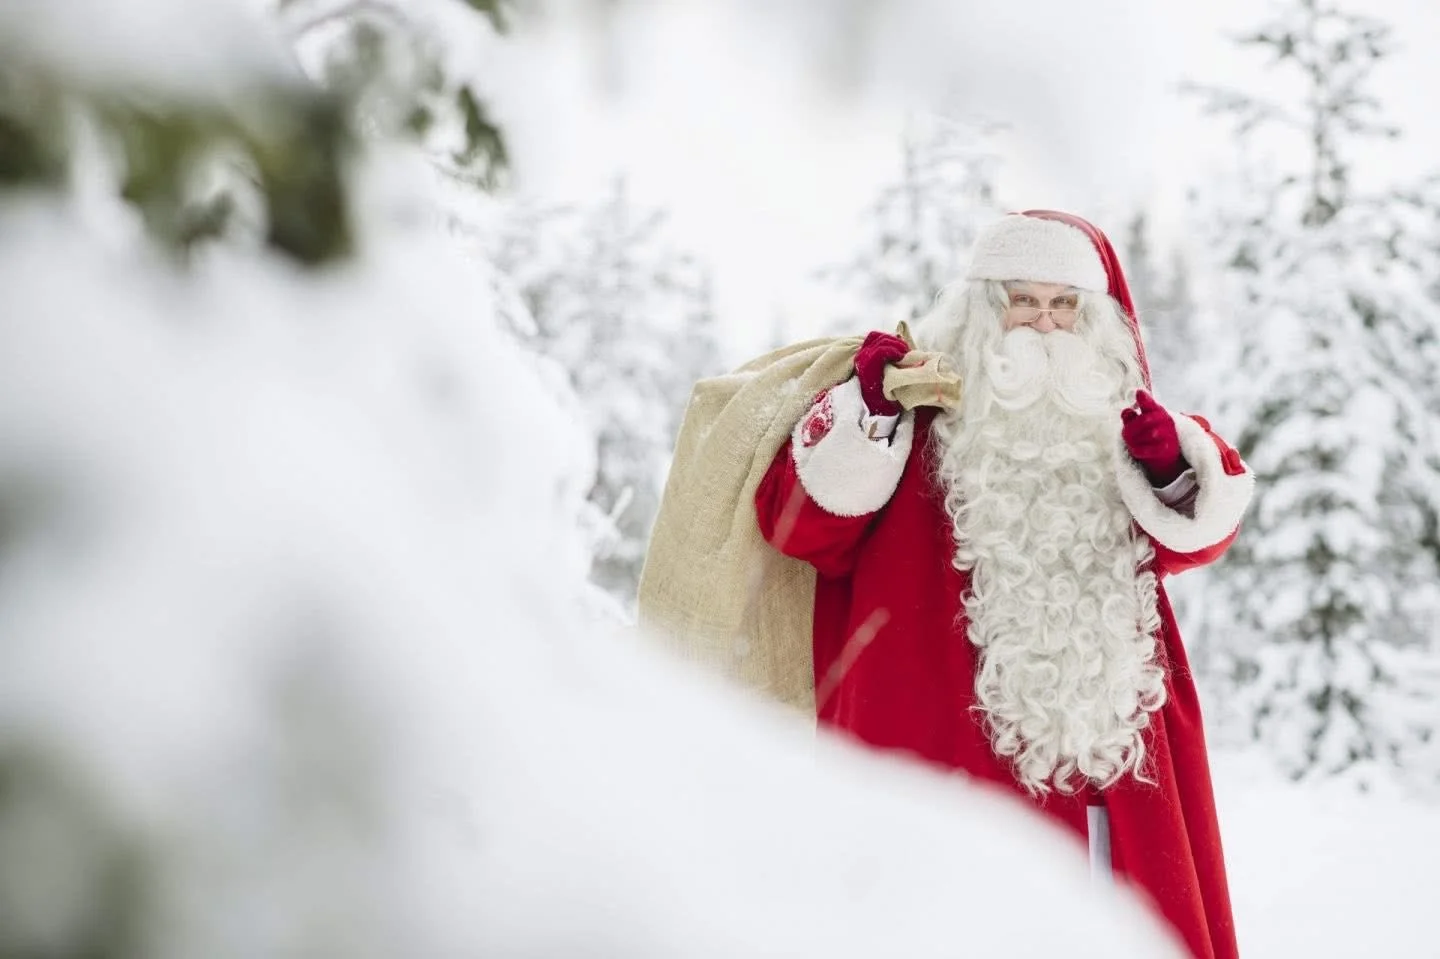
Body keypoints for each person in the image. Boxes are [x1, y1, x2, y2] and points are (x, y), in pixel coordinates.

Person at [753, 210, 1253, 959]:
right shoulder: (908, 425)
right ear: (982, 309)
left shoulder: (1122, 430)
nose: (1044, 325)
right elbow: (800, 527)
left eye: (1065, 305)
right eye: (1023, 301)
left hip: (1111, 791)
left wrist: (1169, 468)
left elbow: (1204, 528)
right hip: (945, 778)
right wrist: (870, 412)